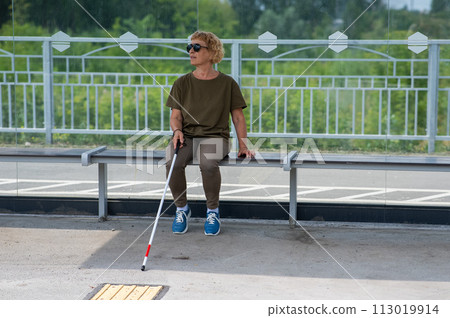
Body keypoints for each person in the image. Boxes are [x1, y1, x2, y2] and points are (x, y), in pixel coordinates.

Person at [165, 31, 253, 236]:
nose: (191, 51)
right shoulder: (181, 83)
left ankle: (212, 211)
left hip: (216, 137)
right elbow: (175, 116)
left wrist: (243, 145)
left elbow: (238, 118)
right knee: (172, 162)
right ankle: (181, 209)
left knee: (207, 162)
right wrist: (177, 130)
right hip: (186, 136)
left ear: (212, 52)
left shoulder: (227, 83)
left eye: (197, 47)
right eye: (189, 47)